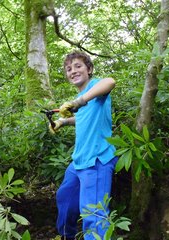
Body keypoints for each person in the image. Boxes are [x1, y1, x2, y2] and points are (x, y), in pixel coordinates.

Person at [49, 51, 118, 240]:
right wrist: (63, 122)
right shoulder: (80, 100)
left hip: (97, 159)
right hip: (78, 161)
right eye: (69, 69)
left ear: (89, 69)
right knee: (65, 200)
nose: (73, 71)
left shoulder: (95, 88)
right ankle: (66, 236)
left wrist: (79, 101)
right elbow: (83, 118)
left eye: (78, 66)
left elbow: (110, 82)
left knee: (93, 214)